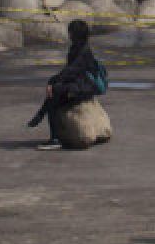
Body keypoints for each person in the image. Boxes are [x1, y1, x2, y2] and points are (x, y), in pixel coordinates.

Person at [27, 19, 103, 151]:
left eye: (71, 32)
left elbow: (72, 70)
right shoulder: (77, 47)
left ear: (76, 34)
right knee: (54, 91)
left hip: (86, 87)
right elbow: (69, 71)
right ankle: (42, 117)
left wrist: (55, 83)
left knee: (55, 93)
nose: (69, 35)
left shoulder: (83, 51)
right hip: (79, 83)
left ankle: (51, 134)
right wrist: (52, 81)